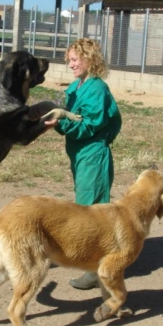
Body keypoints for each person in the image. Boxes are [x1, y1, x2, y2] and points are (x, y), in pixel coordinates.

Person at [45, 38, 122, 289]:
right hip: (80, 155)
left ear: (90, 59)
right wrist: (59, 120)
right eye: (69, 60)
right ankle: (73, 255)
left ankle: (96, 269)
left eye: (75, 60)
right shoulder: (79, 85)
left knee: (90, 213)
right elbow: (74, 117)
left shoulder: (97, 89)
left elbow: (89, 124)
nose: (70, 65)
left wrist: (62, 122)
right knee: (84, 206)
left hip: (92, 155)